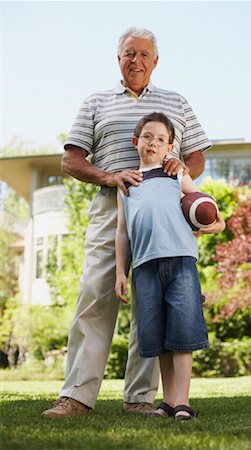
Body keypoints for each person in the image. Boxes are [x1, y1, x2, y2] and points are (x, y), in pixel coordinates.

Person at [43, 27, 213, 419]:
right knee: (96, 295)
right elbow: (71, 160)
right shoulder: (96, 102)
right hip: (113, 207)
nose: (135, 60)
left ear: (156, 61)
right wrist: (110, 177)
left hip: (165, 211)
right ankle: (77, 396)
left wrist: (182, 166)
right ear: (117, 58)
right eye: (128, 53)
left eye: (143, 54)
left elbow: (197, 156)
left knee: (152, 301)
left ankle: (139, 398)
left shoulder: (177, 102)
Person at [115, 112, 225, 420]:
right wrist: (120, 272)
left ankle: (182, 402)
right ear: (136, 142)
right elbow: (122, 232)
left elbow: (208, 213)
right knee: (161, 336)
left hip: (180, 261)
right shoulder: (126, 184)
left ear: (170, 147)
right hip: (146, 266)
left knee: (182, 332)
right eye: (147, 136)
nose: (153, 143)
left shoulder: (177, 174)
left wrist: (214, 225)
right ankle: (167, 400)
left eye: (161, 139)